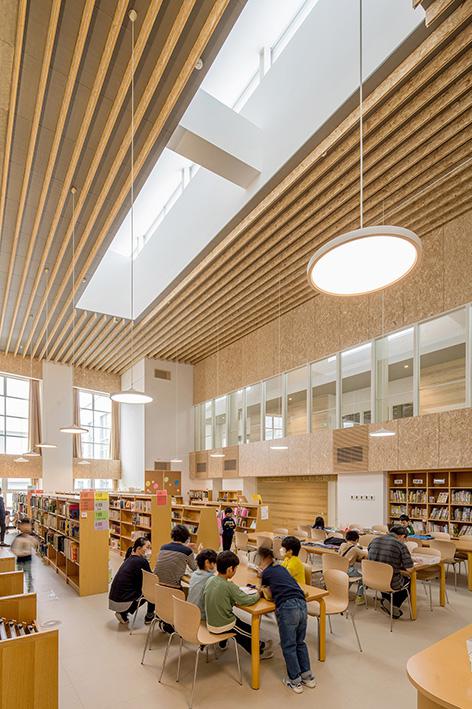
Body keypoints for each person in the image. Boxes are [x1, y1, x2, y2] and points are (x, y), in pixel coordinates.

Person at [258, 546, 316, 694]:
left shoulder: (266, 573)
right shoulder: (282, 569)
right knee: (300, 642)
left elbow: (264, 592)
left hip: (287, 607)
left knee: (288, 645)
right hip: (302, 604)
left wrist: (261, 579)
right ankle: (308, 677)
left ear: (264, 559)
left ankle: (295, 680)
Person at [204, 550, 273, 659]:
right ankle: (258, 652)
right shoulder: (228, 586)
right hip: (222, 624)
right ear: (229, 569)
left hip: (211, 621)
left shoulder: (210, 579)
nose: (236, 571)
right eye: (235, 568)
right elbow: (247, 600)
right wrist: (259, 593)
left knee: (243, 625)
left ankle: (258, 644)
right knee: (248, 632)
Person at [368, 526, 413, 618]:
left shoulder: (374, 540)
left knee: (386, 575)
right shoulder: (400, 545)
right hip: (389, 581)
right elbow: (410, 569)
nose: (406, 541)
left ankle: (386, 600)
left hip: (372, 578)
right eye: (405, 539)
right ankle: (394, 606)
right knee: (408, 580)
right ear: (402, 536)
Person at [109, 537, 155, 625]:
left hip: (114, 599)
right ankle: (149, 616)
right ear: (139, 548)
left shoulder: (129, 558)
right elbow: (151, 579)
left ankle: (123, 612)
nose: (149, 550)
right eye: (147, 547)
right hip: (122, 602)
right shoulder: (142, 561)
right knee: (151, 590)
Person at [154, 524, 197, 588]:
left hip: (157, 586)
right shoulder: (187, 551)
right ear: (186, 537)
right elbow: (195, 568)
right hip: (173, 589)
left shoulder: (163, 547)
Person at [339, 530, 367, 604]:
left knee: (353, 576)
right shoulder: (355, 549)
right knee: (363, 577)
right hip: (348, 570)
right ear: (357, 540)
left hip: (339, 568)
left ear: (346, 538)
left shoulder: (342, 545)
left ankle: (343, 593)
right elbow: (365, 555)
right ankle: (359, 597)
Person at [187, 548, 217, 619]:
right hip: (201, 616)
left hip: (189, 611)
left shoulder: (194, 574)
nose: (215, 566)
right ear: (207, 562)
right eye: (214, 563)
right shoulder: (211, 579)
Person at [10, 518, 37, 592]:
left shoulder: (30, 537)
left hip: (28, 560)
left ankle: (30, 590)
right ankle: (18, 589)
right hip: (20, 561)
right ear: (21, 527)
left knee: (29, 575)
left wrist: (34, 541)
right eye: (24, 526)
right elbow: (12, 548)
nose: (26, 528)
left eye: (28, 526)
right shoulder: (18, 538)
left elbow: (35, 543)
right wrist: (20, 553)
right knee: (19, 575)